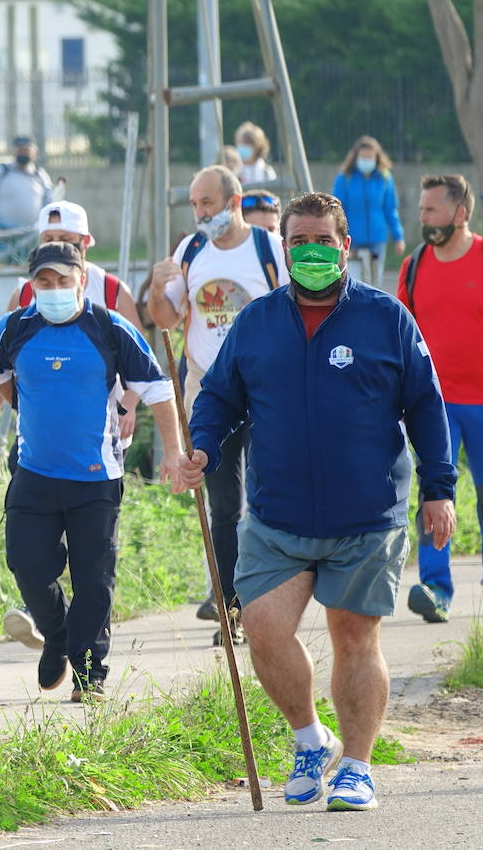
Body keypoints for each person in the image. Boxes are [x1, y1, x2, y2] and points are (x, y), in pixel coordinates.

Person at [178, 191, 455, 813]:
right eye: (298, 242)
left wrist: (439, 488)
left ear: (344, 246)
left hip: (366, 514)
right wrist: (203, 447)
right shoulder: (257, 322)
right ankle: (310, 739)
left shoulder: (386, 319)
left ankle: (357, 766)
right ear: (284, 248)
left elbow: (426, 406)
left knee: (354, 637)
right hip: (278, 515)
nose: (310, 252)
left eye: (321, 241)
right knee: (262, 628)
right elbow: (219, 397)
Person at [0, 241, 184, 702]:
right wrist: (6, 421)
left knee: (94, 579)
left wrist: (173, 452)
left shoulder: (110, 328)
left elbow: (157, 389)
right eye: (44, 281)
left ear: (82, 279)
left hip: (96, 478)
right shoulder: (13, 328)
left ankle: (89, 675)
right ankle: (57, 636)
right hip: (34, 473)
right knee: (27, 565)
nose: (54, 288)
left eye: (63, 279)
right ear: (32, 285)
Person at [0, 200, 145, 650]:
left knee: (93, 564)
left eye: (66, 241)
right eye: (49, 240)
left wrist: (126, 408)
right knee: (30, 544)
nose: (57, 247)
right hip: (35, 439)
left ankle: (88, 655)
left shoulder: (112, 292)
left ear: (85, 245)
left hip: (98, 441)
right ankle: (47, 617)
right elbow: (1, 371)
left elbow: (141, 365)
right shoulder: (23, 299)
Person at [148, 165, 289, 644]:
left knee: (269, 501)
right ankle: (231, 612)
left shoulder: (269, 249)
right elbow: (164, 318)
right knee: (224, 506)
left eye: (206, 203)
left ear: (234, 202)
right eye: (194, 204)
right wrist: (157, 286)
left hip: (267, 391)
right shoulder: (190, 251)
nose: (199, 213)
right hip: (211, 394)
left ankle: (272, 605)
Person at [397, 173, 483, 623]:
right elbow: (399, 333)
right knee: (434, 494)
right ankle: (435, 589)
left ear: (460, 213)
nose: (424, 218)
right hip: (435, 406)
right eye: (421, 210)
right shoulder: (414, 266)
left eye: (431, 210)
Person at [332, 136, 404, 289]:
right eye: (363, 157)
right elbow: (337, 209)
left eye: (370, 157)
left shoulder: (384, 178)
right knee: (353, 280)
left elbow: (390, 209)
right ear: (356, 157)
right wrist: (337, 234)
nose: (367, 161)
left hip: (377, 240)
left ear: (377, 158)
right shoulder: (345, 178)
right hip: (352, 240)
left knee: (375, 282)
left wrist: (398, 237)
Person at [0, 136, 54, 230]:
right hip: (3, 234)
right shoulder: (1, 172)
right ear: (13, 152)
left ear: (34, 152)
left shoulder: (40, 175)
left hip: (33, 234)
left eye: (26, 150)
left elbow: (49, 204)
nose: (23, 153)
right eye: (20, 150)